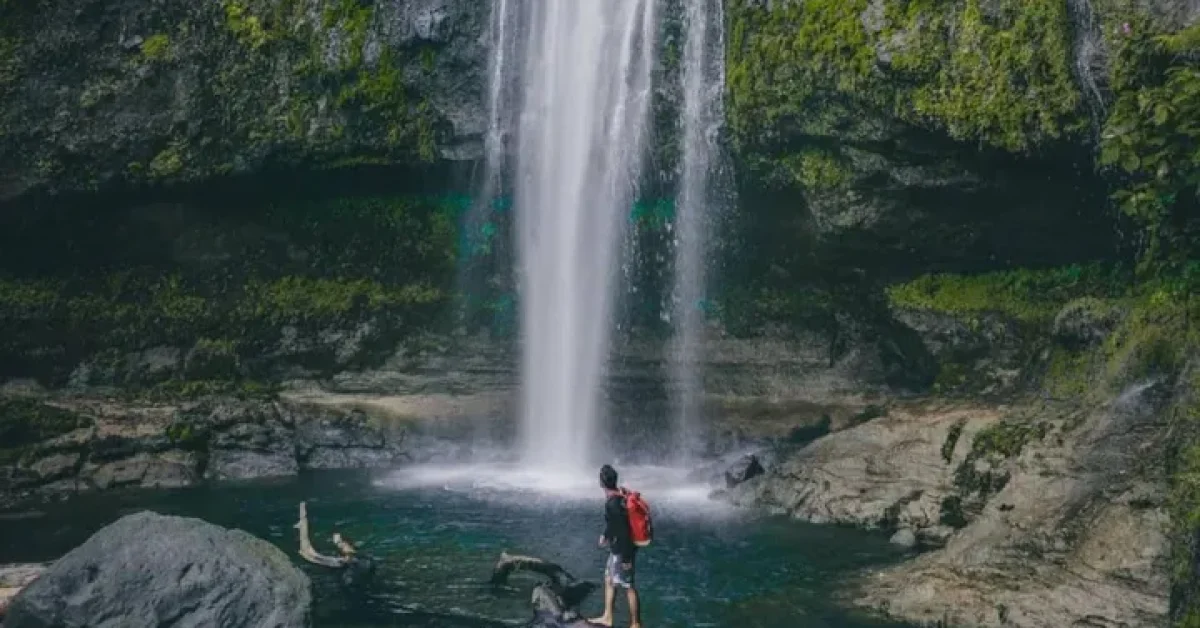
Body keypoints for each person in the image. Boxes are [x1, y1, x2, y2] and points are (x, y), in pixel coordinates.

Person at [588, 464, 642, 628]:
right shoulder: (618, 498)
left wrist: (626, 557)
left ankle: (635, 624)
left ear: (602, 483)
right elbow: (615, 524)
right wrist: (605, 535)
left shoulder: (612, 503)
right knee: (609, 579)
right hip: (619, 547)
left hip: (622, 549)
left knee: (628, 586)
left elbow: (623, 530)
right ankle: (608, 617)